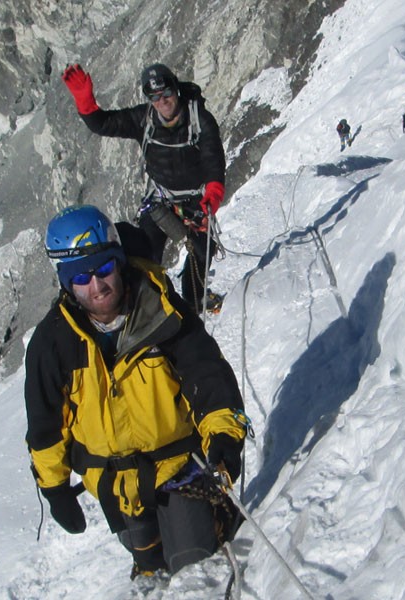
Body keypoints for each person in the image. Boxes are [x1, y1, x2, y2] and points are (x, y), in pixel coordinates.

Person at [25, 204, 249, 579]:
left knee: (193, 564)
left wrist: (224, 436)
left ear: (120, 262)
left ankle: (213, 519)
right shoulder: (53, 343)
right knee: (147, 556)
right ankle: (147, 561)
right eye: (81, 277)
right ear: (66, 282)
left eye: (104, 270)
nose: (96, 287)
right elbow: (46, 424)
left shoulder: (159, 310)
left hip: (179, 467)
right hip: (113, 483)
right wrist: (54, 488)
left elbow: (205, 374)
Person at [60, 62, 227, 313]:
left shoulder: (200, 119)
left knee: (202, 252)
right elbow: (103, 124)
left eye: (167, 93)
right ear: (148, 98)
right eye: (155, 96)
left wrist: (211, 197)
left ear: (176, 89)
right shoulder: (143, 119)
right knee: (145, 253)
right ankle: (144, 308)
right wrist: (86, 101)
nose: (162, 101)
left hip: (195, 202)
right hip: (161, 200)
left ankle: (195, 299)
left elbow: (214, 162)